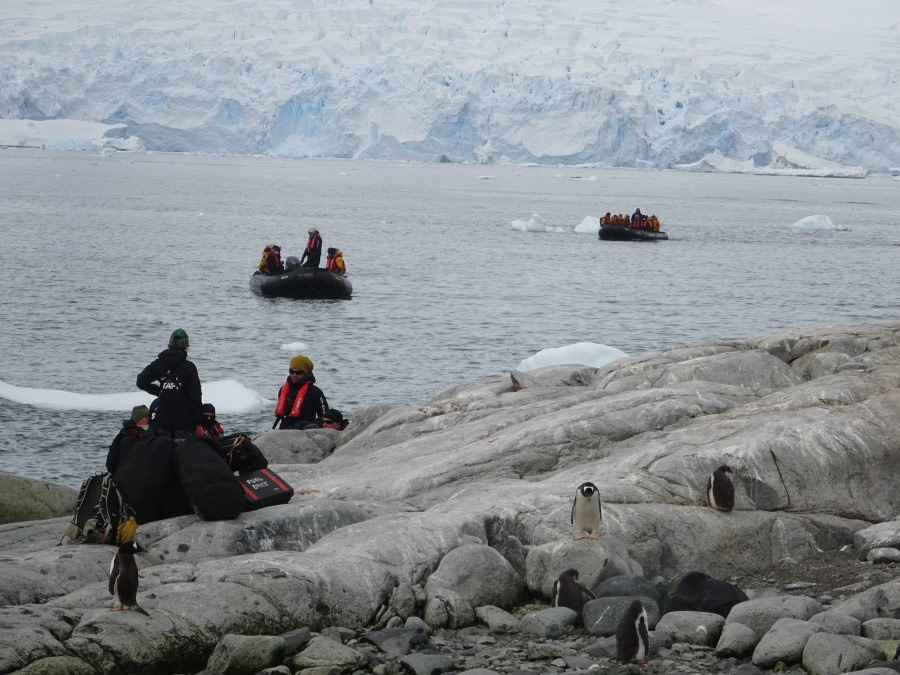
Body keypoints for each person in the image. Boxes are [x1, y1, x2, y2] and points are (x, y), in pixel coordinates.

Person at [136, 328, 205, 440]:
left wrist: (158, 391)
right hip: (185, 424)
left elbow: (141, 381)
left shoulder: (159, 364)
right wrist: (198, 422)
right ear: (186, 347)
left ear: (170, 344)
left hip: (162, 422)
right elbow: (195, 397)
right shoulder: (189, 368)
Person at [274, 355, 329, 430]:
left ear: (305, 373)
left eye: (298, 372)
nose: (294, 375)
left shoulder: (316, 392)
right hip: (285, 426)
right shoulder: (283, 390)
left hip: (306, 427)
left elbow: (325, 416)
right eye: (292, 372)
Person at [106, 404, 151, 473]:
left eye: (149, 417)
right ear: (137, 419)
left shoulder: (133, 432)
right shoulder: (129, 437)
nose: (148, 419)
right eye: (145, 417)